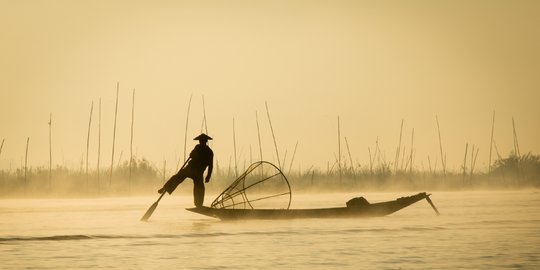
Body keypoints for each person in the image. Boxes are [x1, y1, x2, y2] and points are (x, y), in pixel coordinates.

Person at [158, 133, 214, 207]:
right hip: (191, 169)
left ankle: (198, 204)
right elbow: (192, 155)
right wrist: (208, 176)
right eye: (200, 141)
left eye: (202, 141)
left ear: (205, 141)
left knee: (198, 187)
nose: (201, 142)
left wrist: (208, 176)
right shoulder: (202, 149)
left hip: (196, 171)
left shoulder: (207, 151)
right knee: (178, 178)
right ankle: (166, 188)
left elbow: (210, 165)